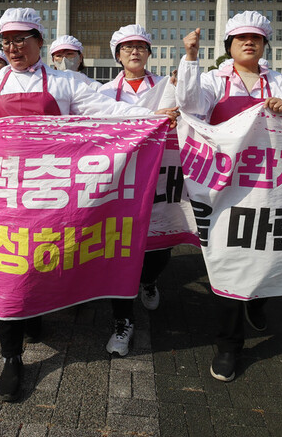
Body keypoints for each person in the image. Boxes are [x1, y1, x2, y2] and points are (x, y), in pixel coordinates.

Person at [0, 7, 178, 402]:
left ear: (40, 42)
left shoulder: (66, 83)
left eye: (21, 39)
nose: (13, 48)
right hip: (5, 198)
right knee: (6, 272)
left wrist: (153, 116)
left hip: (51, 197)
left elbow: (110, 113)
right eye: (6, 41)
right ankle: (11, 357)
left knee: (45, 261)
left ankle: (36, 315)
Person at [175, 10, 282, 383]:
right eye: (241, 39)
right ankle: (229, 345)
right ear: (229, 45)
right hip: (226, 187)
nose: (250, 43)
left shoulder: (279, 81)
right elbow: (190, 106)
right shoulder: (214, 79)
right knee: (230, 260)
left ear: (264, 45)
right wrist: (191, 58)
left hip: (270, 185)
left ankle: (259, 299)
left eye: (257, 39)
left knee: (265, 251)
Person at [96, 25, 174, 356]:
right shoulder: (102, 92)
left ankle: (149, 280)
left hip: (159, 175)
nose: (135, 52)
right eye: (127, 48)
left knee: (158, 248)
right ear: (118, 56)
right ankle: (122, 321)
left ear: (149, 53)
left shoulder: (167, 87)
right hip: (121, 180)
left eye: (141, 46)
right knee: (120, 251)